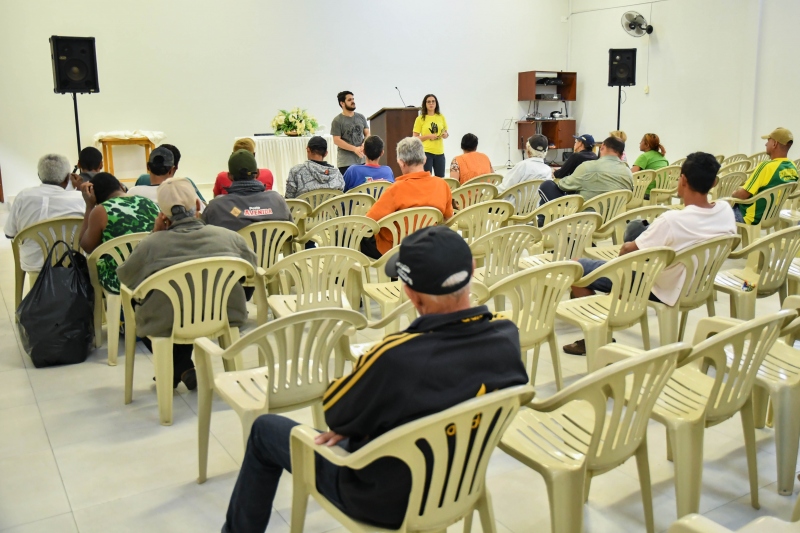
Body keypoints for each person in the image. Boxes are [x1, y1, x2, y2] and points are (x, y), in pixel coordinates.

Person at [221, 225, 528, 532]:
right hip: (460, 482)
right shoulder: (505, 335)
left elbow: (336, 414)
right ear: (472, 270)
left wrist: (354, 423)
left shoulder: (395, 357)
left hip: (382, 499)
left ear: (409, 291)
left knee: (264, 429)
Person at [563, 152, 737, 355]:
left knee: (575, 267)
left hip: (662, 287)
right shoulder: (725, 210)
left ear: (682, 180)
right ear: (715, 182)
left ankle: (597, 335)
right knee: (638, 233)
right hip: (698, 284)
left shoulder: (672, 220)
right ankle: (607, 314)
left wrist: (622, 263)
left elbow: (628, 250)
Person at [117, 178, 257, 390]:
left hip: (169, 321)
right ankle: (182, 367)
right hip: (224, 315)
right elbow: (252, 270)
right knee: (196, 299)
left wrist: (155, 233)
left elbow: (126, 278)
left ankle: (179, 367)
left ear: (162, 215)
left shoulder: (151, 245)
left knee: (147, 308)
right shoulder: (229, 238)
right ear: (198, 205)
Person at [361, 137, 453, 258]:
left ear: (401, 162)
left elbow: (367, 224)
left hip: (394, 251)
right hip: (427, 247)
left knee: (358, 237)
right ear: (425, 159)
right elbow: (448, 217)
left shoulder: (395, 190)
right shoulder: (442, 185)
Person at [77, 172, 159, 294]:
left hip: (120, 280)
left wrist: (89, 206)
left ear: (96, 198)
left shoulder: (101, 210)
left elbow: (87, 247)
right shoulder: (149, 203)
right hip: (152, 273)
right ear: (121, 186)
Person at [4, 154, 84, 272]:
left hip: (35, 265)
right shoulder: (80, 198)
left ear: (39, 175)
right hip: (73, 263)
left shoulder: (23, 196)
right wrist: (80, 189)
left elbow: (9, 233)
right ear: (68, 178)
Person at [203, 149, 292, 232]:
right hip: (274, 249)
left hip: (233, 249)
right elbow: (292, 233)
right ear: (257, 173)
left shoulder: (216, 207)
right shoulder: (277, 200)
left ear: (229, 176)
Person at [732, 127, 798, 224]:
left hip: (749, 216)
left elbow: (743, 195)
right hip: (771, 216)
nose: (766, 144)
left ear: (774, 144)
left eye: (768, 141)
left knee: (718, 211)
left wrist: (733, 193)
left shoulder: (766, 166)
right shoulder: (793, 167)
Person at [539, 136, 633, 204]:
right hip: (614, 219)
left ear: (602, 147)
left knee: (547, 185)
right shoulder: (628, 172)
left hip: (586, 219)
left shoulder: (588, 167)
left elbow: (563, 185)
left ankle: (543, 221)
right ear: (621, 155)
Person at [132, 144, 207, 204]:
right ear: (172, 169)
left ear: (148, 167)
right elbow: (203, 208)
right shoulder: (185, 185)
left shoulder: (135, 189)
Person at [331, 91, 369, 175]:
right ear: (342, 103)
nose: (353, 101)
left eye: (353, 99)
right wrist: (354, 149)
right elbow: (336, 140)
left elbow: (367, 134)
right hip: (346, 163)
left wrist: (363, 145)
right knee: (349, 187)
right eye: (349, 100)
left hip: (362, 160)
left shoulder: (361, 117)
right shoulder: (337, 120)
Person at [413, 94, 449, 177]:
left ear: (436, 103)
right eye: (428, 102)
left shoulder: (441, 117)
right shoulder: (420, 119)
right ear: (425, 104)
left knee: (440, 179)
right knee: (427, 179)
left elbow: (446, 133)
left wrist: (445, 135)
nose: (431, 104)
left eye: (433, 101)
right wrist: (428, 136)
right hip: (426, 153)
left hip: (440, 152)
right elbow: (415, 138)